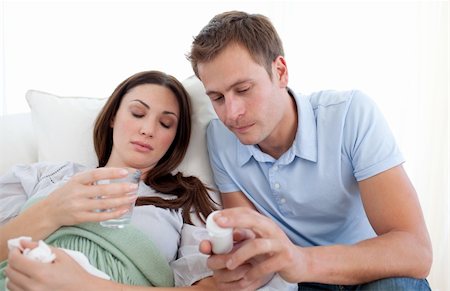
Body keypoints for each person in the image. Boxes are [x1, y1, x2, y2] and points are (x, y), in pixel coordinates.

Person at [188, 11, 433, 290]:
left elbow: (416, 251)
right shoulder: (220, 138)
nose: (231, 114)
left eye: (243, 89)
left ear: (280, 72)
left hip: (372, 270)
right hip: (299, 282)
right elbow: (250, 236)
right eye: (217, 98)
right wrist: (238, 263)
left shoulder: (349, 115)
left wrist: (302, 260)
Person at [1, 70, 218, 290]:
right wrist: (52, 211)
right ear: (113, 116)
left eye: (165, 123)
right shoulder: (47, 176)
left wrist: (84, 285)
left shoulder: (183, 199)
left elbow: (208, 289)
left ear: (175, 138)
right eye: (137, 113)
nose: (147, 130)